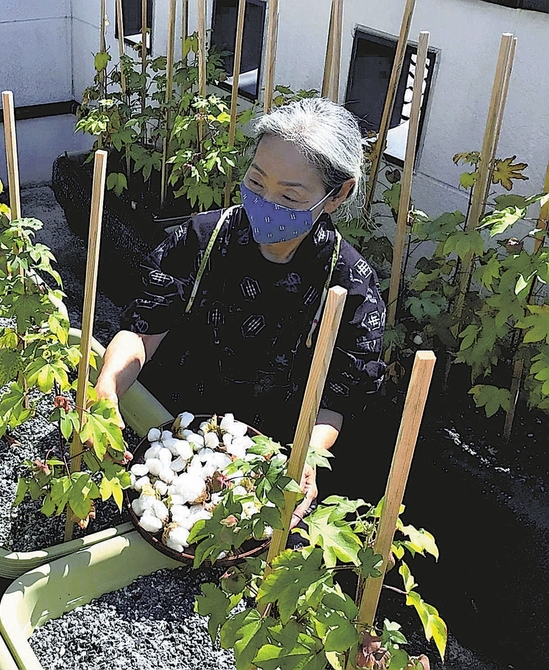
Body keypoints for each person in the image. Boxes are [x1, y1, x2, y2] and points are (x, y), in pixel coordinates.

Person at [94, 97, 386, 527]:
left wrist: (306, 457)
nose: (266, 202)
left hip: (268, 455)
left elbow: (337, 399)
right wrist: (107, 386)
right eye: (256, 181)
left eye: (288, 195)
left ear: (336, 194)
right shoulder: (203, 238)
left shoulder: (349, 285)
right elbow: (142, 329)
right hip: (170, 432)